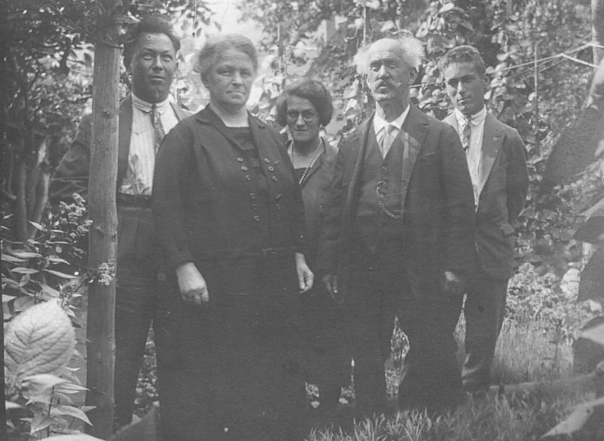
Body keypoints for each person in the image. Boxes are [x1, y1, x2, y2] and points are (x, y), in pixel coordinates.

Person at [152, 34, 314, 441]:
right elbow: (167, 207)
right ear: (207, 78)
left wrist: (298, 255)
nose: (237, 80)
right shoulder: (186, 137)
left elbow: (291, 201)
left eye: (244, 72)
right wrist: (183, 266)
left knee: (273, 380)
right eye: (226, 71)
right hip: (217, 285)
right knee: (221, 383)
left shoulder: (269, 135)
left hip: (272, 284)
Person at [316, 36, 476, 418]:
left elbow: (460, 205)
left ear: (411, 75)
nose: (382, 74)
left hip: (419, 265)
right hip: (365, 267)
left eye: (392, 65)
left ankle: (430, 417)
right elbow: (336, 210)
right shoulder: (352, 141)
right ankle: (371, 418)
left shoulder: (439, 134)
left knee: (431, 342)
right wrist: (331, 264)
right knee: (366, 347)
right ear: (366, 79)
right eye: (374, 67)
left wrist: (455, 264)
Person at [49, 16, 188, 430]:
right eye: (147, 56)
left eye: (166, 57)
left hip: (180, 254)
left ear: (177, 64)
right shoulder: (103, 120)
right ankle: (110, 433)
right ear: (128, 63)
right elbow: (66, 188)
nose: (158, 66)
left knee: (182, 355)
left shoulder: (192, 125)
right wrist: (98, 243)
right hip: (125, 248)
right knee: (117, 358)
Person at [440, 45, 529, 395]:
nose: (460, 90)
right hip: (446, 253)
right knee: (437, 327)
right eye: (452, 83)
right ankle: (442, 396)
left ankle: (474, 397)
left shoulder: (507, 137)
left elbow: (516, 196)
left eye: (467, 80)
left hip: (490, 249)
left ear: (484, 81)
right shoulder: (435, 133)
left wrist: (496, 229)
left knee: (483, 332)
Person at [276, 79, 349, 426]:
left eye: (308, 114)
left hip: (323, 262)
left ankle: (329, 409)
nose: (300, 121)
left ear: (322, 117)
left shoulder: (336, 160)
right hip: (281, 261)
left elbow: (342, 215)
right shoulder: (274, 154)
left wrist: (330, 264)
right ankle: (293, 408)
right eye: (292, 114)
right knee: (285, 336)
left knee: (326, 335)